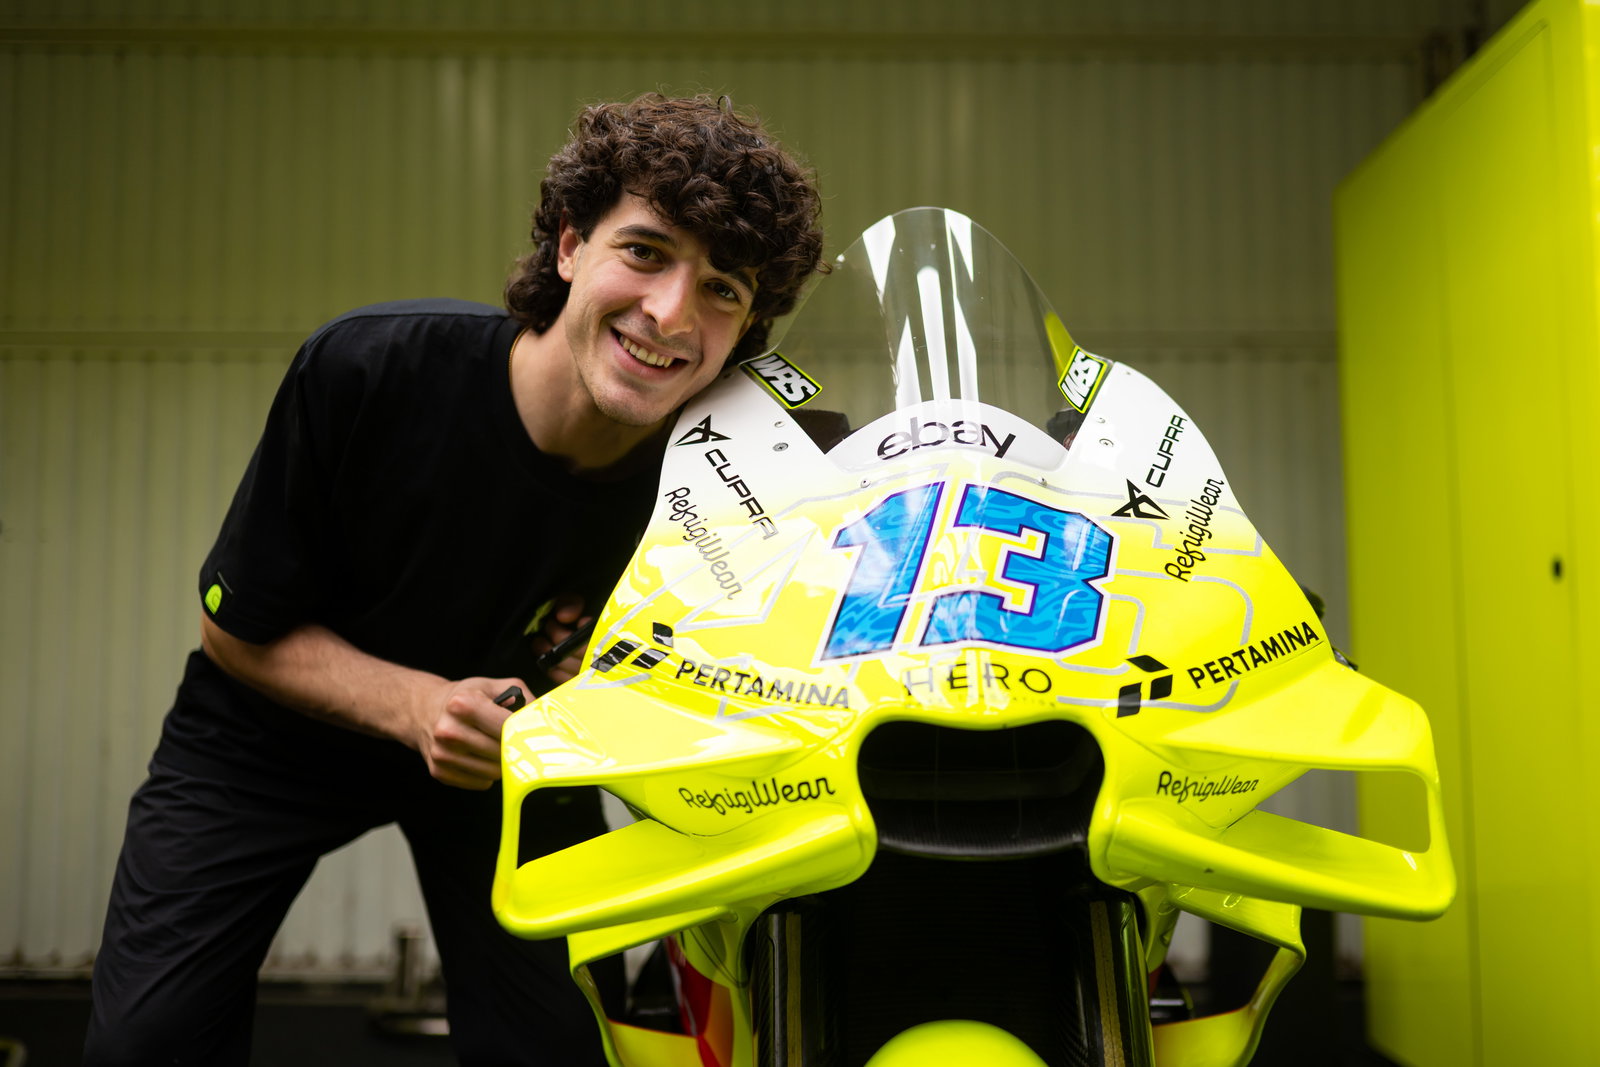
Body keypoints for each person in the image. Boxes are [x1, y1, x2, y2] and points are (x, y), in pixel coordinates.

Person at [82, 92, 826, 1066]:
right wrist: (420, 704)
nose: (669, 312)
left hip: (508, 757)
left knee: (559, 1046)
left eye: (723, 287)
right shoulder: (369, 369)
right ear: (569, 244)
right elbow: (235, 628)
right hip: (267, 734)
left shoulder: (723, 481)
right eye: (643, 251)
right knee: (148, 1043)